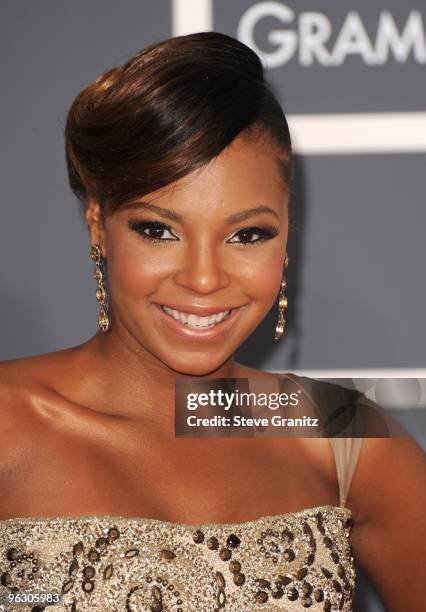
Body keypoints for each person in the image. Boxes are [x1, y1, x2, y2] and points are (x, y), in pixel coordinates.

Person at [0, 31, 424, 612]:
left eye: (248, 234)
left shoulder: (341, 440)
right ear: (98, 223)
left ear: (286, 234)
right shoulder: (9, 424)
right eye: (158, 230)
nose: (204, 279)